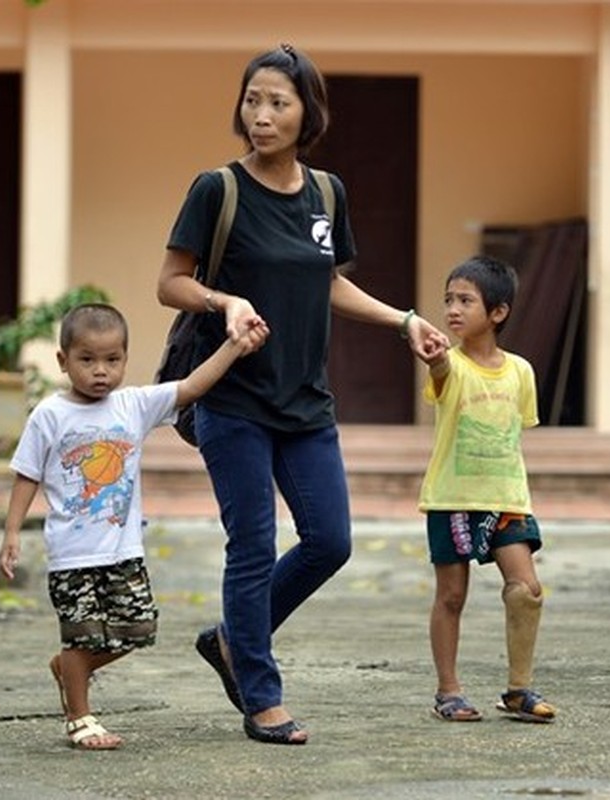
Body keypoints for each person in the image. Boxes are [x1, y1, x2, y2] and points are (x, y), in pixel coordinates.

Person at [155, 44, 446, 745]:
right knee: (251, 545)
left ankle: (232, 639)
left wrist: (402, 319)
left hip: (306, 400)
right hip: (233, 400)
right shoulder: (216, 190)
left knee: (330, 541)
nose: (261, 115)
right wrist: (223, 302)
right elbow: (170, 282)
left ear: (307, 112)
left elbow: (328, 280)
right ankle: (261, 693)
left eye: (277, 102)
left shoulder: (326, 193)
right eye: (253, 99)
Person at [0, 303, 268, 750]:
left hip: (124, 553)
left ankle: (71, 667)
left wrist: (234, 346)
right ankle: (79, 718)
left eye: (112, 360)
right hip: (72, 554)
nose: (100, 371)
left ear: (125, 358)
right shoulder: (50, 414)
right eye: (87, 360)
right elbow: (27, 473)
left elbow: (192, 386)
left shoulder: (134, 405)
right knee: (82, 633)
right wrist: (11, 533)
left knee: (137, 631)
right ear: (63, 361)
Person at [415, 255, 556, 725]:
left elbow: (519, 430)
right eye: (449, 300)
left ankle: (519, 689)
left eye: (465, 301)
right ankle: (448, 691)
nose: (453, 309)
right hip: (453, 500)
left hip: (507, 499)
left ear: (498, 313)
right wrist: (435, 361)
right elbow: (440, 378)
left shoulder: (520, 371)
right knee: (451, 597)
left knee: (526, 590)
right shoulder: (448, 364)